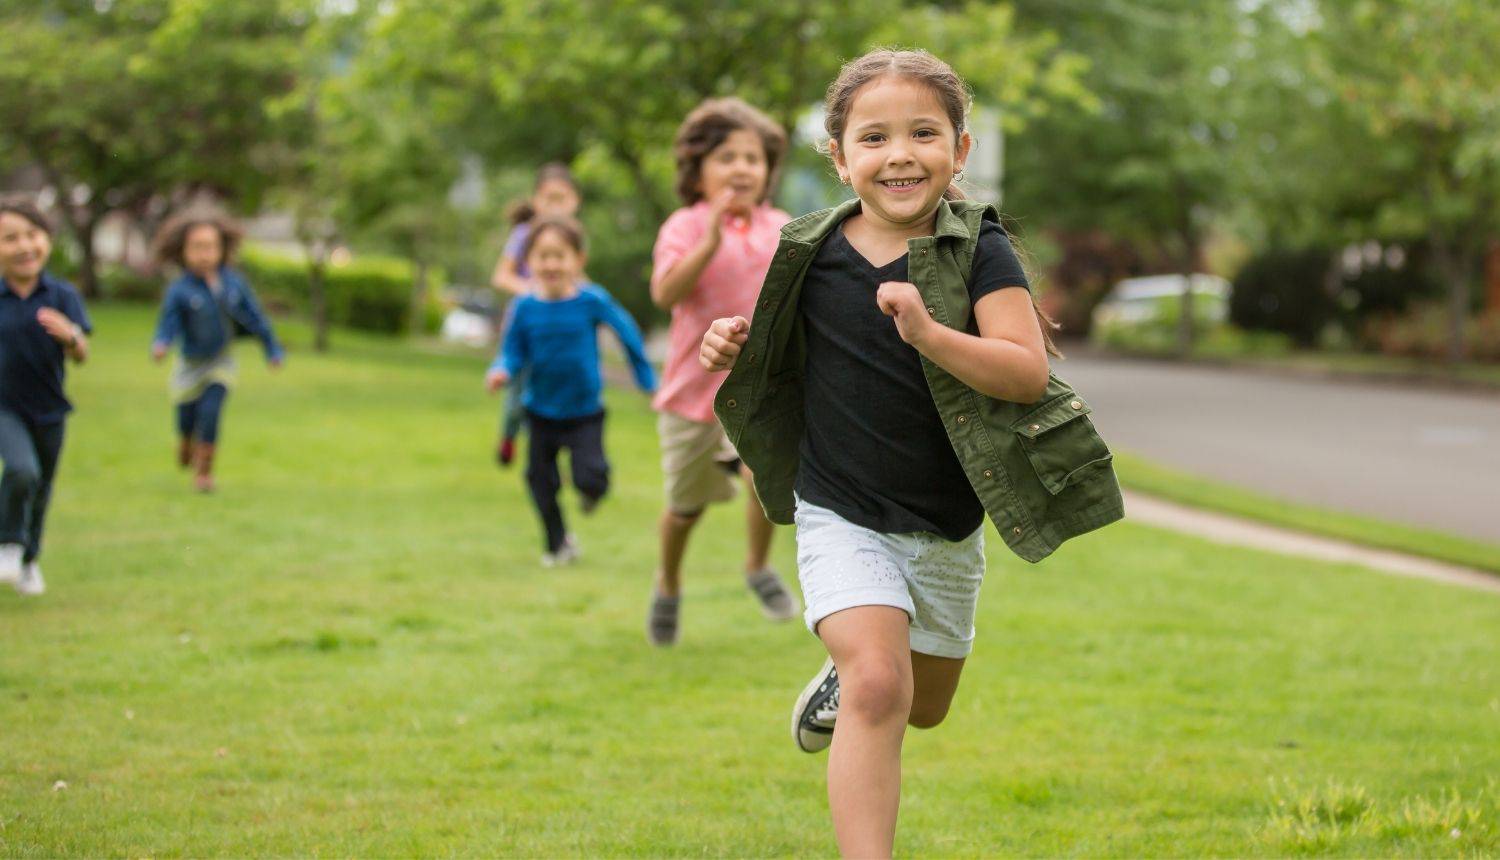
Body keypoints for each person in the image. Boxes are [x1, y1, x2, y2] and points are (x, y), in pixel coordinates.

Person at [699, 50, 1125, 858]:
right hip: (842, 511)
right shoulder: (809, 252)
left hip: (945, 525)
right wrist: (730, 340)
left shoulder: (980, 252)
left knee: (922, 705)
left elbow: (1026, 371)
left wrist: (929, 332)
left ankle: (846, 678)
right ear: (840, 156)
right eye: (875, 137)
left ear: (959, 150)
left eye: (924, 133)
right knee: (880, 686)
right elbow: (773, 348)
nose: (900, 154)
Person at [646, 97, 797, 646]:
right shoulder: (684, 226)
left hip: (760, 389)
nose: (741, 168)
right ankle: (667, 582)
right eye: (726, 157)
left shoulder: (782, 226)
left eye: (752, 158)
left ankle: (756, 567)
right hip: (694, 395)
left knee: (765, 481)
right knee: (685, 509)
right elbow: (665, 292)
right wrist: (709, 239)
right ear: (698, 171)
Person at [485, 216, 656, 566]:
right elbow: (512, 350)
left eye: (559, 256)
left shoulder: (591, 300)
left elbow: (626, 332)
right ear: (528, 262)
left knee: (590, 479)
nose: (550, 264)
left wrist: (646, 378)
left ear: (578, 260)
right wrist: (500, 370)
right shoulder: (525, 308)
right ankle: (558, 544)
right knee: (539, 482)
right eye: (542, 256)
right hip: (540, 411)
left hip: (584, 412)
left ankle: (593, 491)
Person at [150, 211, 284, 493]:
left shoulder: (233, 283)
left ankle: (204, 473)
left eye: (210, 247)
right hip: (190, 364)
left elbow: (255, 316)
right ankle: (186, 440)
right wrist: (162, 343)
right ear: (183, 251)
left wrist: (272, 348)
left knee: (211, 411)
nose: (204, 254)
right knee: (186, 418)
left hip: (221, 360)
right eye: (197, 247)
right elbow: (169, 322)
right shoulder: (180, 289)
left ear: (222, 249)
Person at [0, 197, 92, 597]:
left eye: (32, 235)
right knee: (21, 471)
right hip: (4, 406)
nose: (23, 246)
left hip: (50, 407)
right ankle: (8, 542)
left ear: (48, 241)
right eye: (9, 238)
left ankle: (29, 561)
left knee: (41, 488)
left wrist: (71, 336)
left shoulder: (61, 295)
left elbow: (82, 353)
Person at [490, 163, 584, 466]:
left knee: (557, 393)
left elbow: (580, 284)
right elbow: (501, 277)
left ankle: (551, 454)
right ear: (535, 201)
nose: (555, 206)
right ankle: (509, 434)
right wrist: (534, 290)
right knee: (518, 395)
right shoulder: (523, 235)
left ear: (574, 201)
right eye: (548, 198)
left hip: (562, 330)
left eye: (562, 198)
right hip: (527, 327)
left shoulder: (573, 238)